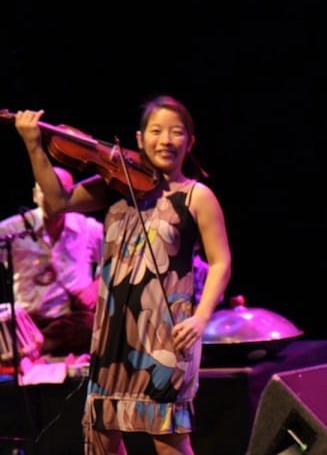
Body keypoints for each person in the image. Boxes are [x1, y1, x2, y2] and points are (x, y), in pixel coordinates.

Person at [13, 95, 232, 455]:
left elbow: (221, 261)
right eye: (156, 131)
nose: (166, 140)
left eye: (177, 133)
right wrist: (34, 146)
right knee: (101, 437)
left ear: (189, 142)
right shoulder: (115, 185)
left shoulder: (196, 196)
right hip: (112, 333)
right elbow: (56, 202)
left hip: (167, 335)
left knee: (168, 439)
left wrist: (201, 317)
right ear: (139, 138)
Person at [0, 166, 104, 357]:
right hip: (29, 320)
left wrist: (99, 284)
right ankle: (34, 345)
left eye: (58, 190)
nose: (51, 197)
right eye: (44, 190)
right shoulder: (13, 229)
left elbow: (119, 258)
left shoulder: (88, 228)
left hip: (71, 319)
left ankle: (37, 347)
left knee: (90, 323)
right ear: (34, 195)